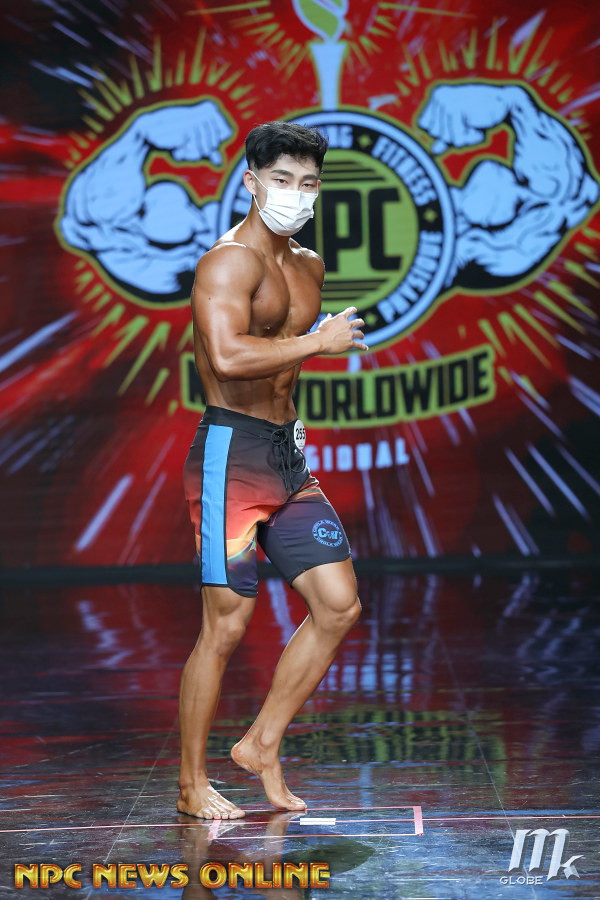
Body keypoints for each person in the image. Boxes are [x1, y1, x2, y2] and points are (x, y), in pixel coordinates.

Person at [178, 122, 367, 820]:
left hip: (284, 455)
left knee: (339, 605)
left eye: (308, 182)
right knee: (225, 628)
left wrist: (305, 359)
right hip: (230, 456)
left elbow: (282, 358)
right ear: (252, 181)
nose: (296, 194)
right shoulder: (227, 264)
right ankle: (191, 784)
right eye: (282, 180)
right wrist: (319, 343)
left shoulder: (308, 266)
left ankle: (260, 743)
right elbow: (228, 357)